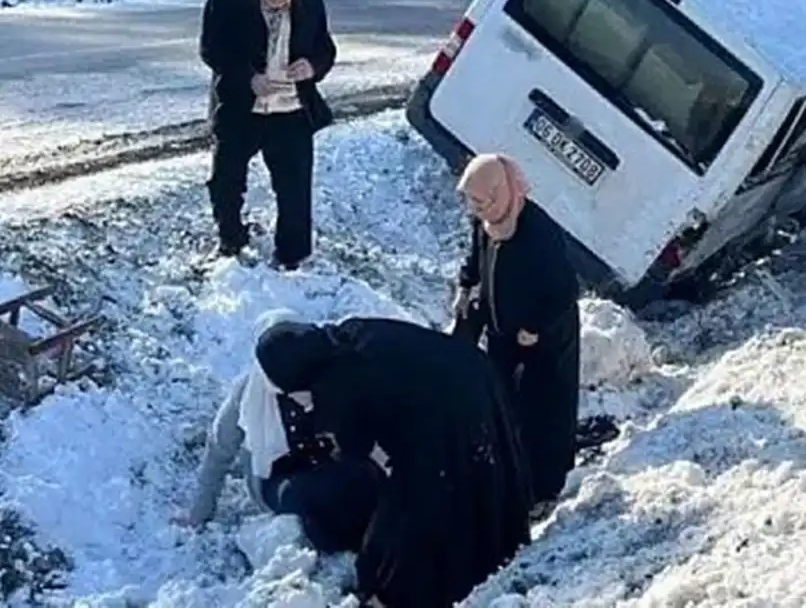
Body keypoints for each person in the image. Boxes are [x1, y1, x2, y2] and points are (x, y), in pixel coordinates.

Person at [255, 315, 533, 608]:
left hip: (450, 407)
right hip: (473, 372)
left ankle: (431, 584)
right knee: (481, 473)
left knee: (439, 491)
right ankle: (501, 541)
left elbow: (368, 455)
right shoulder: (349, 333)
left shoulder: (337, 386)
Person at [179, 309, 382, 553]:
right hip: (279, 477)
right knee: (310, 497)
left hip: (329, 462)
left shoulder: (325, 378)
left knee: (364, 481)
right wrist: (199, 512)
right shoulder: (249, 391)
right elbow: (219, 450)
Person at [451, 153, 582, 513]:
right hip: (504, 329)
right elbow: (476, 257)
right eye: (472, 201)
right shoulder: (489, 222)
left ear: (500, 192)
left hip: (546, 337)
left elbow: (565, 289)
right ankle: (512, 479)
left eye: (481, 200)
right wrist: (466, 287)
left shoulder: (537, 231)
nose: (476, 209)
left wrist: (534, 328)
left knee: (544, 410)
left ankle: (544, 489)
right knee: (505, 405)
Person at [200, 0, 337, 270]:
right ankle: (231, 243)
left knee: (295, 187)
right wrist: (247, 78)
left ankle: (293, 256)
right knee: (226, 181)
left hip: (290, 111)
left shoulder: (312, 4)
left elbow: (325, 49)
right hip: (239, 109)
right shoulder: (226, 0)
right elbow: (211, 51)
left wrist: (312, 67)